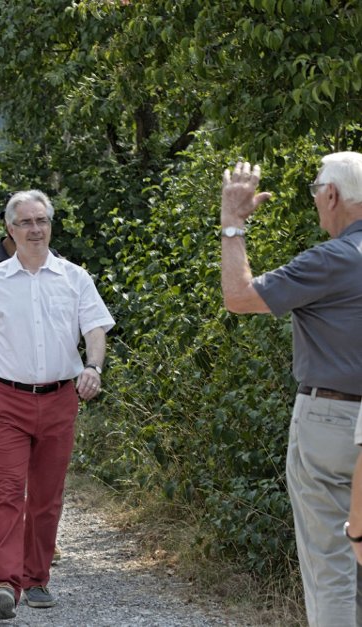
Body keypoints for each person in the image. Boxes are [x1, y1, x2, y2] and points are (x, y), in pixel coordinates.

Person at [222, 156, 362, 627]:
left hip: (334, 419)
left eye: (315, 192)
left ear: (332, 196)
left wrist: (232, 225)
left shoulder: (333, 259)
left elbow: (239, 297)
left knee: (332, 567)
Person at [0, 190, 114, 619]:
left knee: (46, 496)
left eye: (42, 221)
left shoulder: (74, 278)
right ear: (10, 230)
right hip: (5, 399)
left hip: (60, 398)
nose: (35, 230)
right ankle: (2, 581)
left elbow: (95, 328)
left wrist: (92, 367)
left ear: (50, 225)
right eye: (25, 223)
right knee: (5, 491)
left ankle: (36, 577)